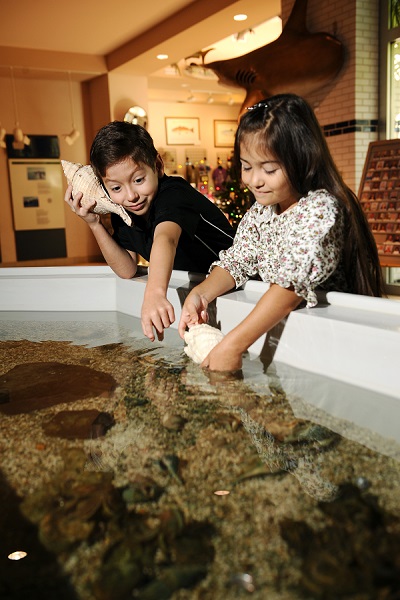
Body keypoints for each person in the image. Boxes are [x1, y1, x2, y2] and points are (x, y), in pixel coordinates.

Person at [178, 94, 385, 372]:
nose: (254, 180)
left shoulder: (320, 209)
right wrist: (201, 294)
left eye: (269, 168)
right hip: (296, 341)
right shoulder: (261, 212)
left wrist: (232, 344)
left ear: (302, 159)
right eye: (246, 166)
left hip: (337, 344)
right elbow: (237, 261)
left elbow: (290, 286)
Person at [64, 121, 234, 341]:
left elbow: (166, 239)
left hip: (242, 281)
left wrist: (154, 294)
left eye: (138, 180)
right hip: (204, 289)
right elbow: (127, 269)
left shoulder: (173, 193)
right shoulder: (124, 213)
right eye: (116, 188)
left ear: (158, 165)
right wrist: (94, 224)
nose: (131, 195)